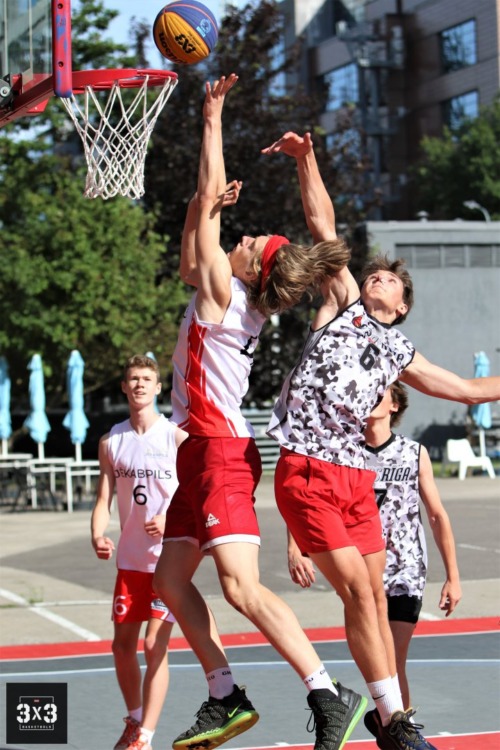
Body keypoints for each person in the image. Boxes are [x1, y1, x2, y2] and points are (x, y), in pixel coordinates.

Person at [262, 130, 500, 750]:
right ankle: (394, 720)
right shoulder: (344, 304)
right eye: (375, 274)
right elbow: (322, 224)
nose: (377, 277)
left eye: (390, 279)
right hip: (307, 466)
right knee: (356, 591)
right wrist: (307, 158)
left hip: (354, 477)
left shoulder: (400, 351)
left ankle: (388, 719)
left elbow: (468, 391)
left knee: (372, 596)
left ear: (403, 303)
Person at [153, 74, 368, 750]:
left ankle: (327, 693)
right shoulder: (223, 292)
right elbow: (192, 255)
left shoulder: (226, 297)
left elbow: (208, 208)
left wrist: (212, 115)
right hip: (199, 453)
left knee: (241, 589)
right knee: (170, 581)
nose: (244, 235)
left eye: (252, 241)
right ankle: (225, 695)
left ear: (250, 269)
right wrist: (201, 207)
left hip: (220, 451)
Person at [287, 380, 462, 728]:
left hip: (405, 568)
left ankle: (400, 731)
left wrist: (453, 576)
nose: (369, 397)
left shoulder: (413, 452)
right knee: (380, 662)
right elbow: (310, 499)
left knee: (393, 661)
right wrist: (296, 547)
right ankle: (391, 726)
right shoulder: (344, 452)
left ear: (394, 405)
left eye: (379, 392)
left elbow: (437, 515)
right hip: (360, 565)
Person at [91, 354, 187, 750]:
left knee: (153, 645)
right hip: (130, 562)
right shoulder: (111, 441)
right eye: (133, 379)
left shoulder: (176, 437)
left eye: (147, 379)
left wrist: (169, 518)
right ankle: (134, 719)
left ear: (158, 387)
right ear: (124, 387)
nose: (140, 385)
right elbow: (103, 497)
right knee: (121, 647)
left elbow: (195, 492)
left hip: (167, 561)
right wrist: (98, 534)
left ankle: (145, 735)